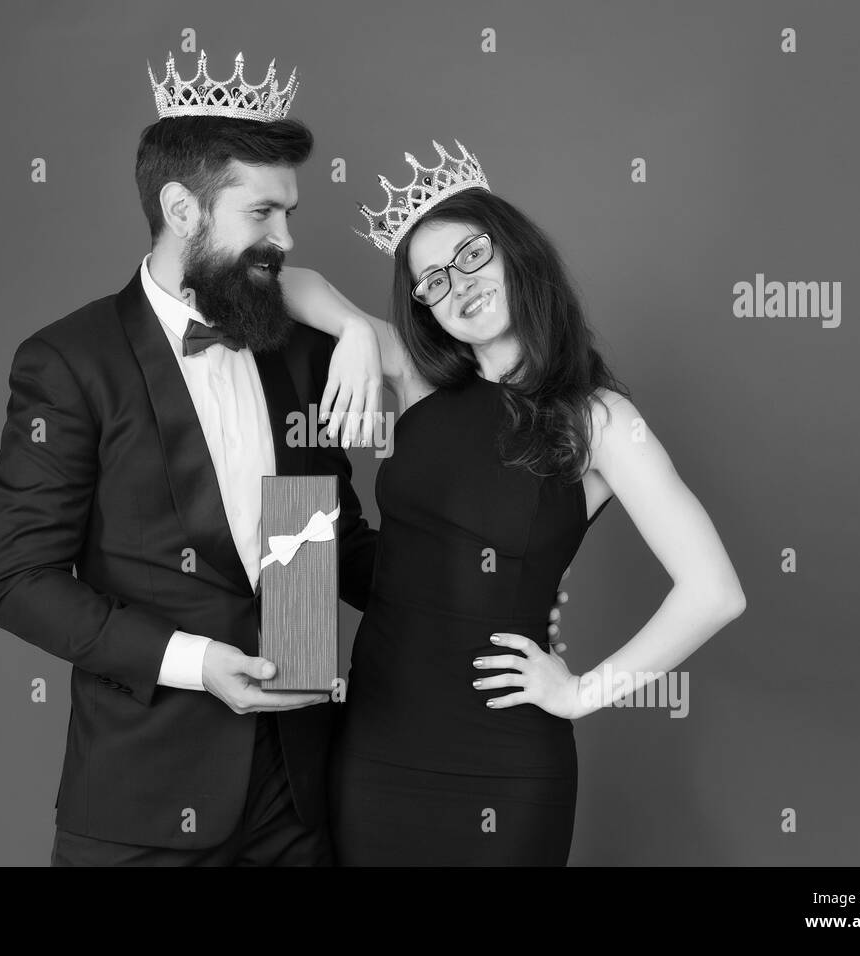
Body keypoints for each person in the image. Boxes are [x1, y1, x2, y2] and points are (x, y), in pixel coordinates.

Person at [0, 53, 569, 866]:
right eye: (263, 214)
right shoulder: (70, 363)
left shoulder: (296, 347)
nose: (286, 239)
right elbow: (18, 583)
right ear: (182, 209)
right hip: (144, 804)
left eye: (288, 213)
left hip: (305, 795)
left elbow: (335, 539)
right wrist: (198, 664)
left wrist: (481, 593)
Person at [280, 140, 747, 865]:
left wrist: (583, 693)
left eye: (470, 256)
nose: (456, 285)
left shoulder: (601, 422)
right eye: (431, 281)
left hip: (505, 762)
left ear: (514, 251)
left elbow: (715, 592)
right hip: (374, 746)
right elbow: (285, 282)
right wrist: (349, 331)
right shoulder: (417, 381)